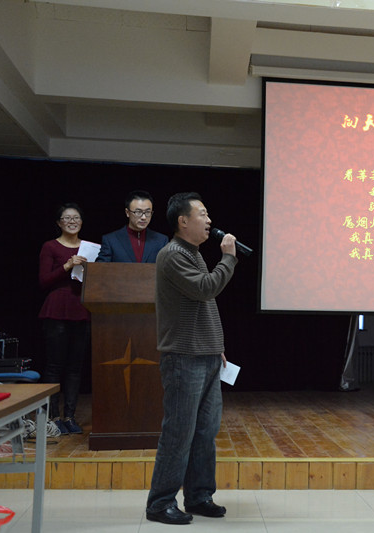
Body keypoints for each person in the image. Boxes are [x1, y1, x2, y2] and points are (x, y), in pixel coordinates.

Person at [145, 192, 238, 525]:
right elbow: (206, 288)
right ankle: (160, 504)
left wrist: (215, 345)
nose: (209, 220)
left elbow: (201, 305)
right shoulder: (172, 254)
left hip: (206, 355)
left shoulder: (193, 253)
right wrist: (228, 258)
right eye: (202, 214)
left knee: (204, 432)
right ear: (183, 221)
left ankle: (198, 496)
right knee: (179, 433)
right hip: (184, 358)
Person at [38, 203, 91, 435]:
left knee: (75, 368)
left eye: (76, 218)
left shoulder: (89, 248)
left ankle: (69, 416)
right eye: (67, 218)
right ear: (59, 222)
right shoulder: (50, 246)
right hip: (56, 310)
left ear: (81, 222)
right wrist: (67, 265)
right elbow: (44, 281)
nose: (72, 222)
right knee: (54, 366)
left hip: (81, 310)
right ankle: (53, 418)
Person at [96, 190, 168, 263]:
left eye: (147, 212)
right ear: (127, 212)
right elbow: (100, 267)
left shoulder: (161, 241)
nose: (143, 217)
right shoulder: (111, 240)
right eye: (138, 212)